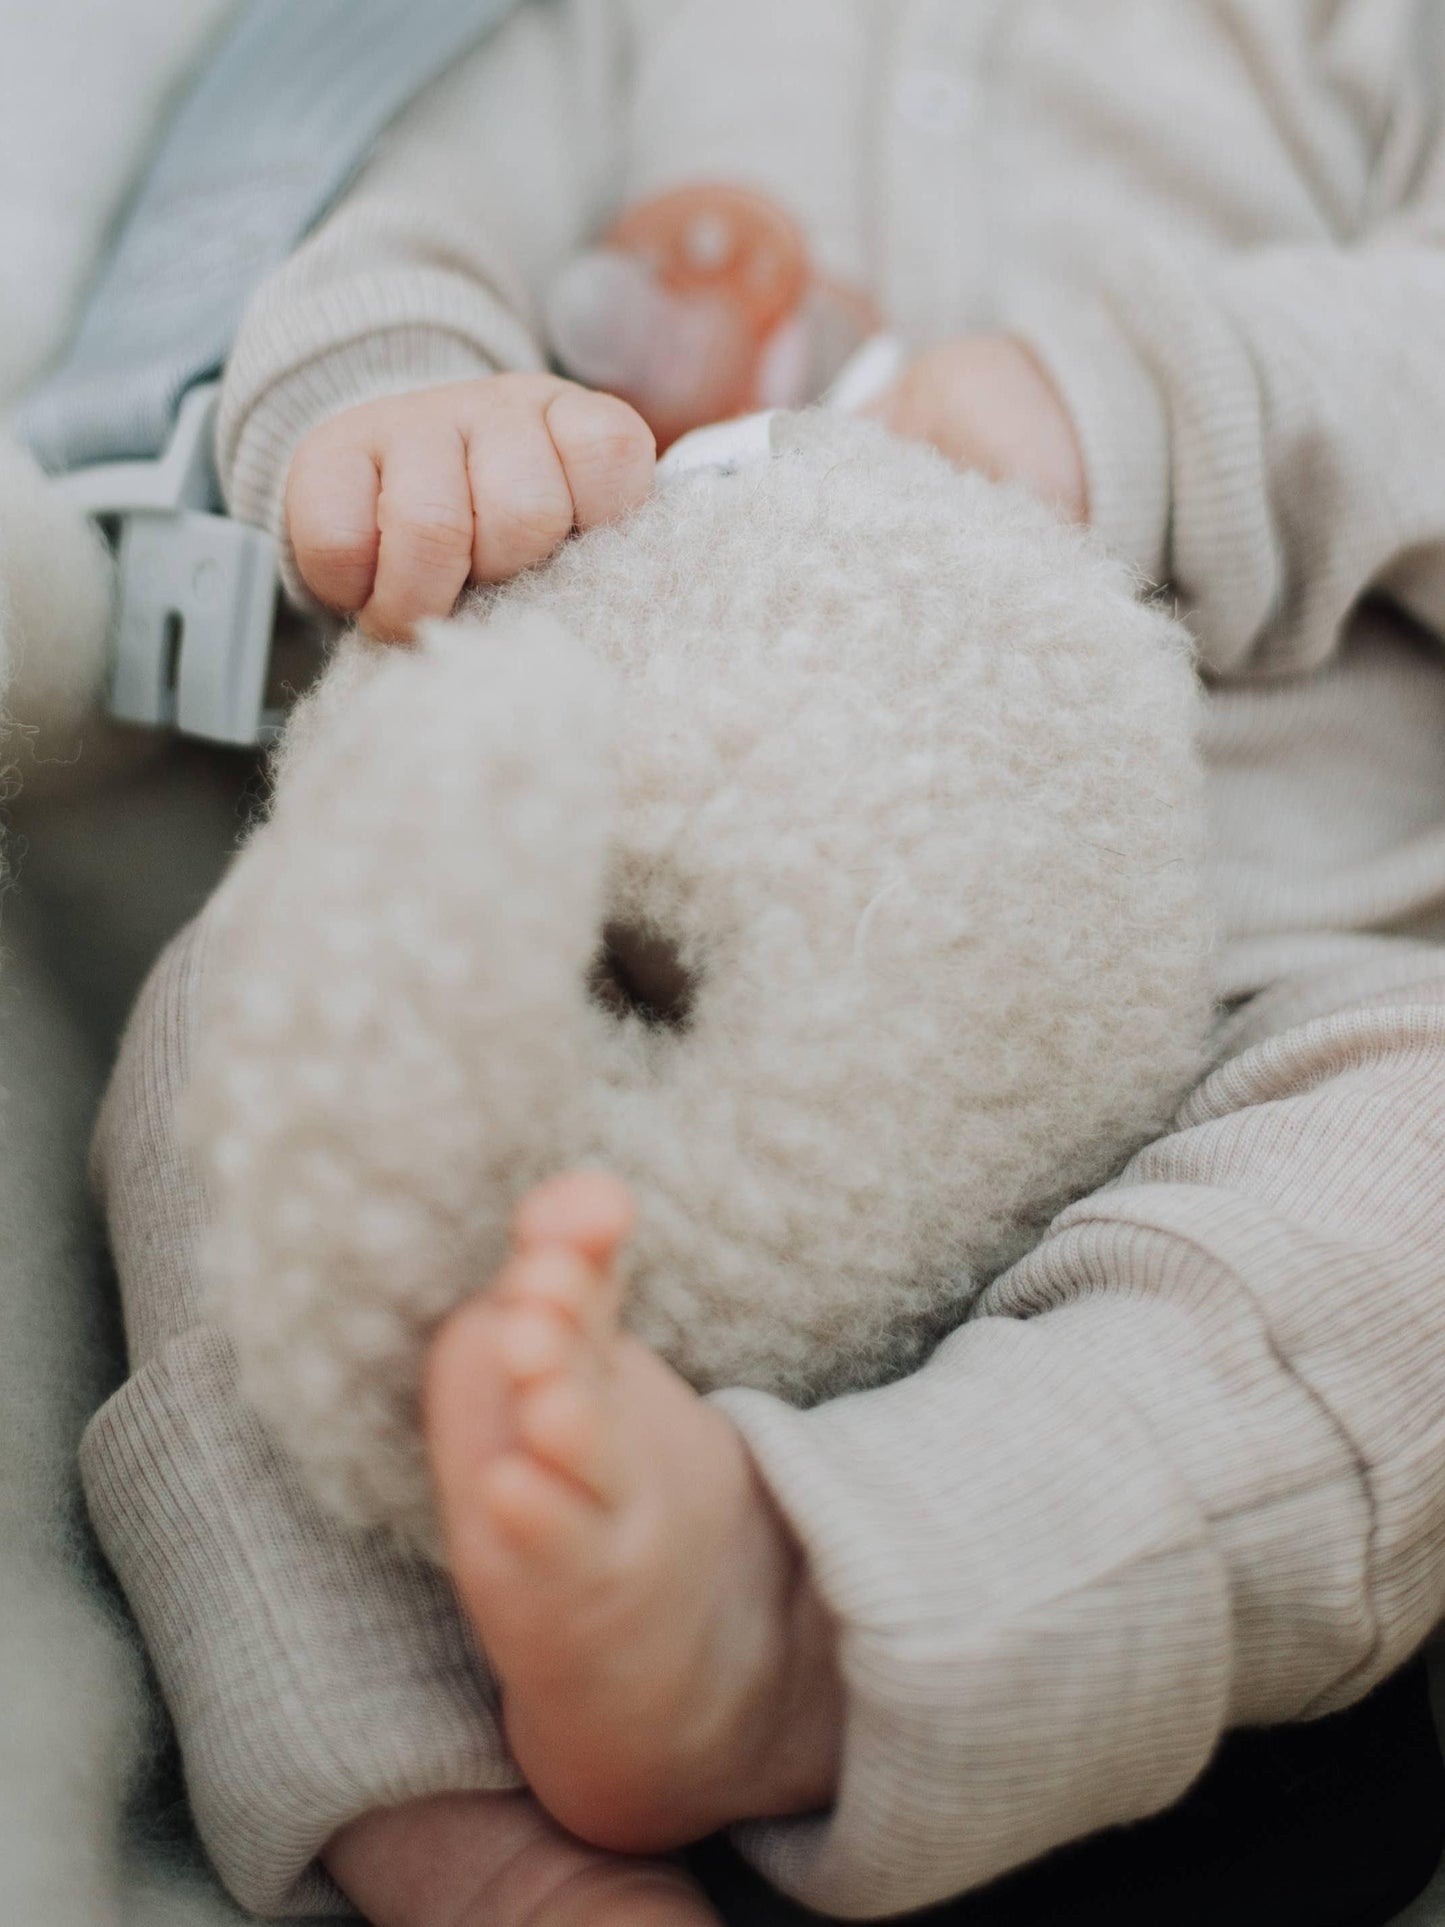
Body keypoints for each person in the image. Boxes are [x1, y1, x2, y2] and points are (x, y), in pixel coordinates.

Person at [82, 1, 1445, 1923]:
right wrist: (396, 406)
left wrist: (1140, 401)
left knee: (1412, 1193)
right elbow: (400, 226)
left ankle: (800, 1627)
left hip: (1258, 954)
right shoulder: (633, 29)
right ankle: (452, 1831)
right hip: (644, 937)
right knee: (247, 1026)